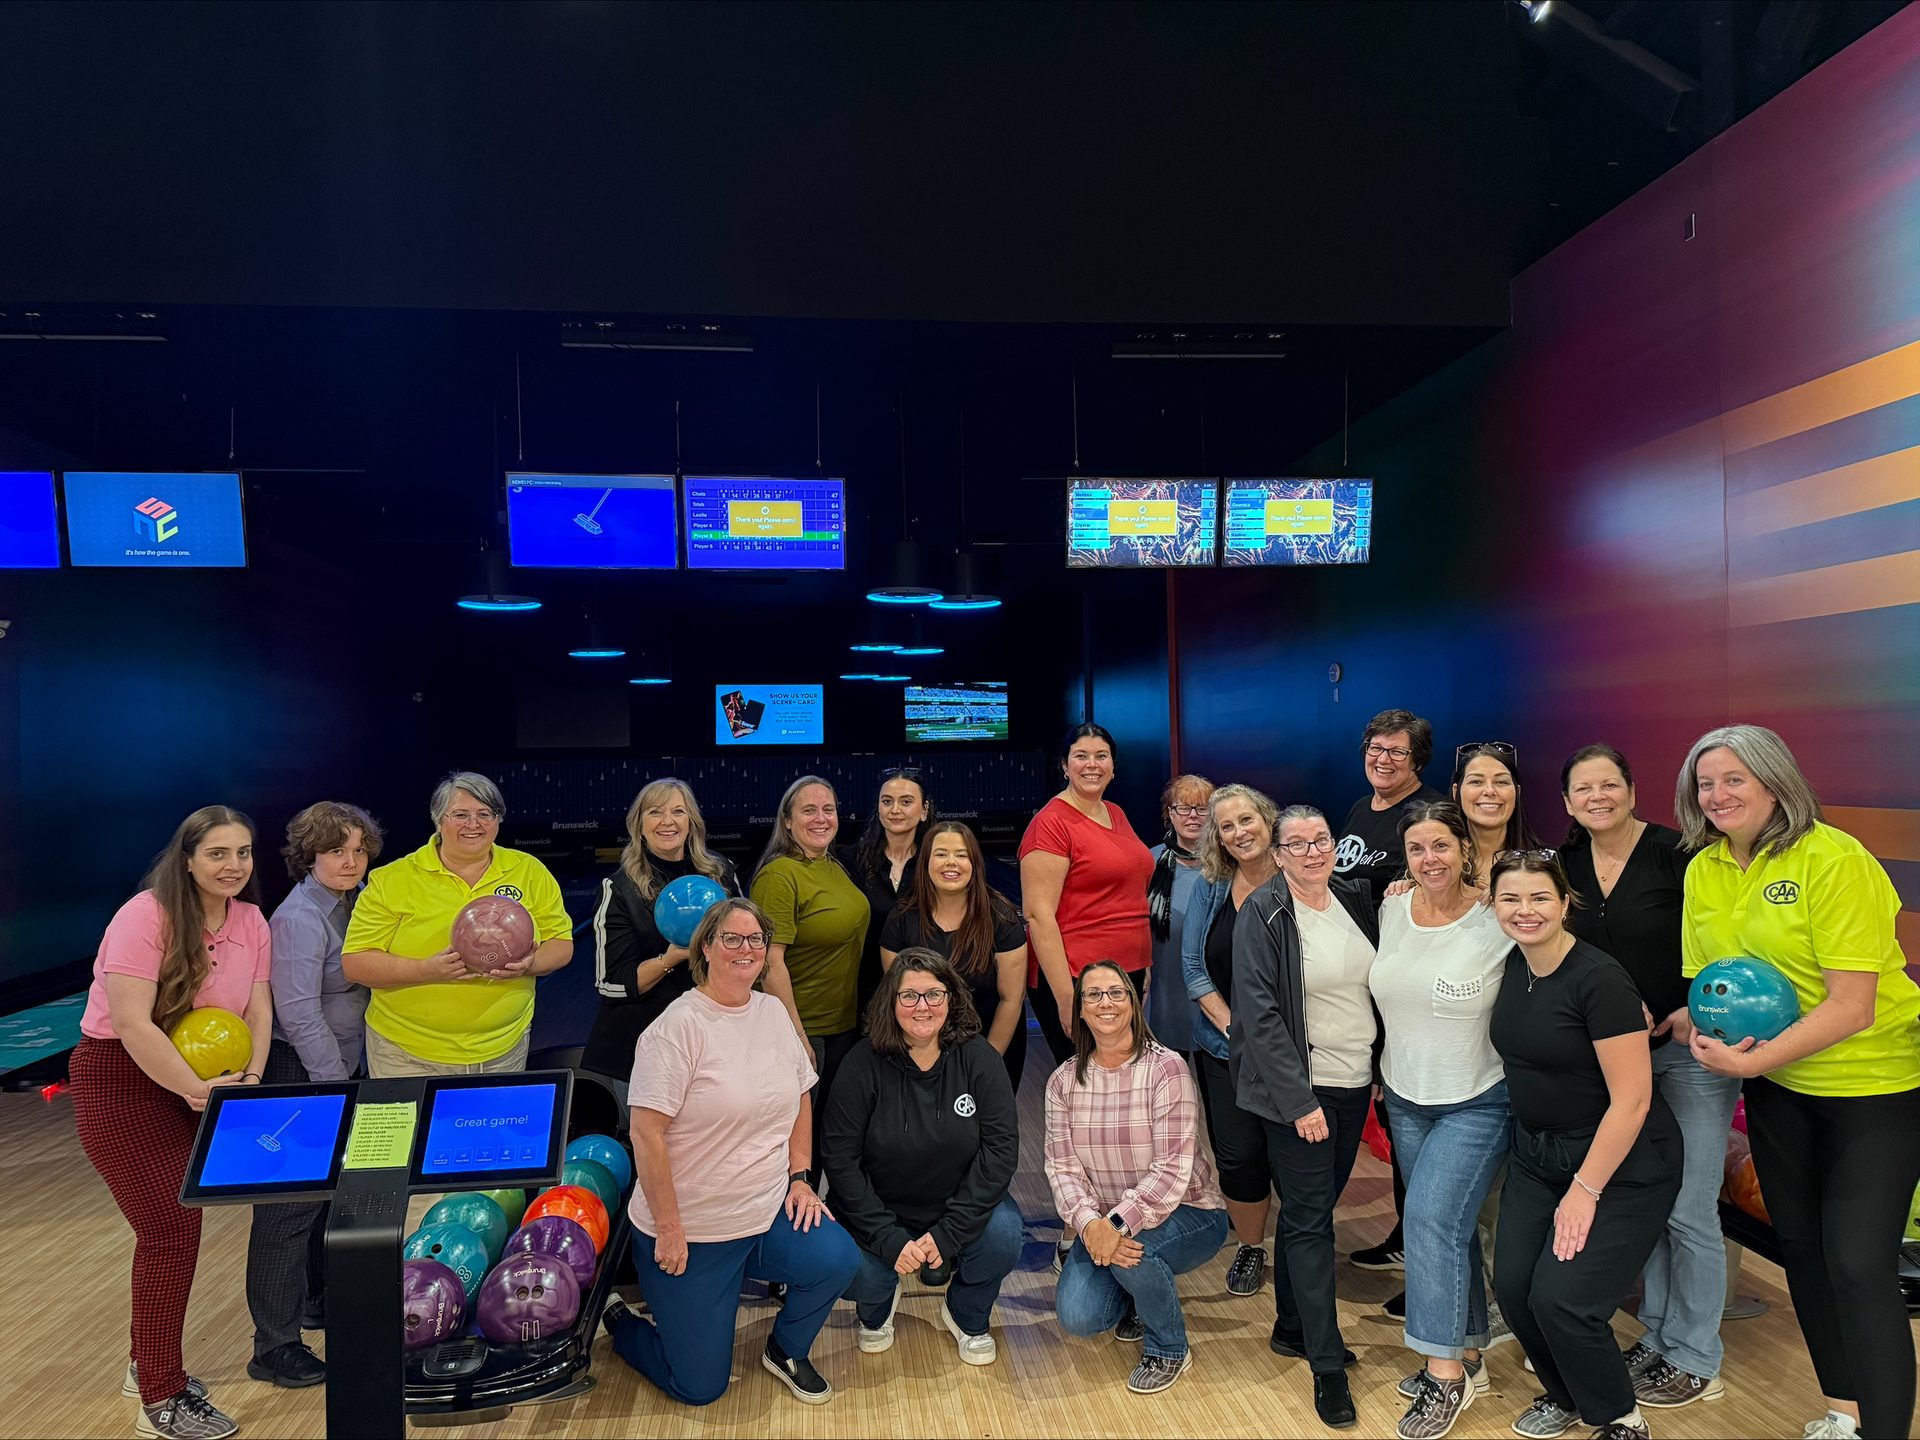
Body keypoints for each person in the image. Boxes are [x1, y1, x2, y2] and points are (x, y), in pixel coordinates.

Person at [1676, 724, 1920, 1440]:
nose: (1716, 795)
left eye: (1733, 780)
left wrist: (1750, 1062)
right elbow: (1708, 984)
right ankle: (1843, 1414)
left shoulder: (1833, 859)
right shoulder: (1706, 869)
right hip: (1782, 1088)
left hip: (1873, 1087)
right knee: (1806, 1253)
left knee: (1858, 1265)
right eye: (1705, 783)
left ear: (1775, 781)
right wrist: (1696, 1028)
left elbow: (1854, 1004)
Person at [601, 898, 861, 1406]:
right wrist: (671, 1229)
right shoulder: (675, 1029)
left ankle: (785, 1349)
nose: (746, 949)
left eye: (756, 940)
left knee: (837, 1259)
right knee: (699, 1387)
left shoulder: (770, 1011)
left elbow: (801, 1093)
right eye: (732, 939)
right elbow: (646, 1136)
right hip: (692, 1230)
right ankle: (621, 1323)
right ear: (706, 947)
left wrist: (801, 1177)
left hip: (763, 1215)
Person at [72, 806, 272, 1440]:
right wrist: (193, 1091)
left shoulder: (251, 920)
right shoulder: (145, 915)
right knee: (170, 1228)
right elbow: (131, 1023)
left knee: (175, 1224)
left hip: (209, 1084)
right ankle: (160, 1397)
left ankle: (144, 1363)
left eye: (243, 853)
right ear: (186, 858)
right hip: (121, 1078)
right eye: (218, 853)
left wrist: (248, 1082)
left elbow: (258, 1011)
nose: (233, 865)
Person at [1559, 744, 1733, 1408]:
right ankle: (1660, 1338)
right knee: (1650, 1200)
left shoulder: (1678, 854)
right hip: (1608, 1062)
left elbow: (1720, 937)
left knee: (1689, 1207)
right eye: (1583, 788)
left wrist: (1691, 1002)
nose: (1597, 796)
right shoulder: (1565, 864)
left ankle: (1695, 1355)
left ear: (1632, 790)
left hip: (1687, 1054)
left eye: (1610, 784)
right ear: (1568, 802)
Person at [1488, 850, 1679, 1440]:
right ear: (1493, 906)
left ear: (1565, 903)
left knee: (1563, 1300)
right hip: (1536, 1155)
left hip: (1621, 1166)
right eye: (1510, 898)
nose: (1525, 911)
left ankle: (1620, 1418)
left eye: (1540, 897)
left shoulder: (1600, 979)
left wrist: (1585, 1190)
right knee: (1516, 1289)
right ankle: (1567, 1393)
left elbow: (1632, 1101)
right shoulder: (1512, 966)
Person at [1369, 800, 1511, 1440]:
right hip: (1405, 1095)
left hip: (1478, 1097)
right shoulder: (1392, 908)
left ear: (1466, 850)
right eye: (1418, 849)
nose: (1430, 860)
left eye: (1442, 847)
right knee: (1447, 1229)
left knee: (1429, 1221)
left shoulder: (1497, 916)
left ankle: (1443, 1376)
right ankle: (1470, 1353)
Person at [1234, 805, 1379, 1429]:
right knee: (1316, 1221)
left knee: (1304, 1211)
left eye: (1321, 840)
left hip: (1354, 1082)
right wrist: (1300, 1104)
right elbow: (1260, 1018)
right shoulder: (1262, 914)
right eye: (1297, 844)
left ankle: (1292, 1327)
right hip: (1302, 1096)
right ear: (1278, 854)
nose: (1312, 851)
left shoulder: (1355, 897)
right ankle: (1326, 1364)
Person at [823, 949, 1022, 1365]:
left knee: (1004, 1234)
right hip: (878, 1209)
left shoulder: (980, 1059)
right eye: (909, 996)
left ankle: (966, 1313)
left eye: (934, 994)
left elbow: (1000, 1153)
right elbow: (840, 1161)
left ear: (951, 999)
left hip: (954, 1206)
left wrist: (949, 1232)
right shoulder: (861, 1064)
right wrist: (888, 1237)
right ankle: (876, 1305)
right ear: (889, 1001)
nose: (922, 1007)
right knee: (850, 1267)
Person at [244, 801, 383, 1391]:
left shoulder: (350, 904)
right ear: (309, 857)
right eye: (336, 852)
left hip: (331, 1066)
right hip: (298, 1071)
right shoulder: (300, 917)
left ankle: (315, 1303)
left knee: (324, 1199)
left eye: (358, 850)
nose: (350, 861)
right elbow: (298, 1012)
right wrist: (338, 1084)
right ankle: (273, 1347)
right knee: (287, 1209)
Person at [1046, 960, 1228, 1396]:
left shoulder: (1166, 1070)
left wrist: (1115, 1225)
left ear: (1133, 1002)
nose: (1105, 1002)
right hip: (1105, 1223)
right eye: (1093, 994)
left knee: (1138, 1254)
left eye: (1116, 992)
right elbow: (1062, 1167)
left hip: (1190, 1213)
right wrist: (1090, 1224)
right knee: (1079, 1316)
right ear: (1081, 1010)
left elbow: (1171, 1170)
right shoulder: (1062, 1081)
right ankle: (1136, 1297)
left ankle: (1168, 1348)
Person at [342, 772, 573, 1075]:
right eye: (460, 815)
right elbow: (356, 963)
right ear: (438, 820)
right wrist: (427, 970)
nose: (473, 824)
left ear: (498, 820)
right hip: (407, 1054)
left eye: (485, 814)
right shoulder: (392, 879)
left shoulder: (529, 871)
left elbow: (562, 944)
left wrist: (528, 963)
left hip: (503, 1049)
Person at [1333, 707, 1442, 1279]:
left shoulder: (1425, 814)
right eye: (1374, 748)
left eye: (1396, 751)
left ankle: (1424, 1250)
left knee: (1411, 1118)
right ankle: (1407, 1237)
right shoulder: (1360, 808)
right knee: (1394, 1118)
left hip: (1403, 987)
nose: (1381, 758)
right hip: (1365, 984)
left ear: (1418, 760)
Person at [1182, 783, 1284, 1297]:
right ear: (1217, 839)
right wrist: (1234, 1027)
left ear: (1269, 821)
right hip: (1225, 1046)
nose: (1239, 833)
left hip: (1293, 1052)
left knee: (1289, 1154)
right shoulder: (1211, 885)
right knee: (1239, 1155)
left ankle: (1299, 1245)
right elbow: (1194, 968)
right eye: (1227, 826)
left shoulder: (1299, 880)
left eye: (1247, 820)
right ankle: (1251, 1246)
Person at [582, 778, 740, 1103]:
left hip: (714, 1037)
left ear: (691, 822)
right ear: (639, 826)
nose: (668, 821)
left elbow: (746, 945)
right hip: (644, 1045)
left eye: (678, 812)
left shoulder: (721, 874)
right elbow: (610, 984)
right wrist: (671, 959)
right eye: (655, 812)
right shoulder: (620, 889)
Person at [750, 774, 870, 1176]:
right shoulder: (779, 875)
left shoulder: (832, 866)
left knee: (825, 1142)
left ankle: (818, 1228)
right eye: (809, 810)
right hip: (802, 1031)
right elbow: (770, 964)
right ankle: (787, 1229)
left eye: (828, 809)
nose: (821, 818)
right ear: (787, 821)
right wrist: (798, 1037)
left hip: (841, 1029)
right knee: (794, 1153)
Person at [1020, 722, 1156, 1064]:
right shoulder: (1051, 823)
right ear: (1065, 766)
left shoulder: (1115, 813)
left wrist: (1144, 963)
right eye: (1081, 756)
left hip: (1126, 973)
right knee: (1090, 1089)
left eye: (1101, 756)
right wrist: (1067, 998)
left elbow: (1127, 895)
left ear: (1112, 766)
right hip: (1080, 978)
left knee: (1122, 1084)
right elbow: (1038, 916)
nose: (1092, 765)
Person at [879, 820, 1028, 1090]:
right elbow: (899, 1002)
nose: (951, 862)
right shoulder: (901, 919)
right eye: (941, 854)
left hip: (992, 1048)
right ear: (925, 862)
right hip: (919, 1054)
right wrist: (922, 1065)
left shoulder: (1001, 918)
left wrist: (987, 1064)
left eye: (961, 855)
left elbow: (1011, 1000)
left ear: (975, 863)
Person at [844, 765, 933, 1026]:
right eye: (887, 801)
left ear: (924, 810)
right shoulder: (849, 861)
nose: (895, 810)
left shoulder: (937, 864)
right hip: (864, 996)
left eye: (906, 802)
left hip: (924, 996)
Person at [1146, 773, 1214, 1063]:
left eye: (1202, 808)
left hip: (1214, 987)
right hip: (1164, 985)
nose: (1193, 816)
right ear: (1169, 814)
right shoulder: (1148, 862)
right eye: (1183, 808)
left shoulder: (1229, 865)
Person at [1453, 741, 1545, 864]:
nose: (1490, 791)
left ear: (1517, 793)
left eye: (1501, 782)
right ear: (1456, 792)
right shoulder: (1437, 863)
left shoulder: (1546, 862)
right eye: (1476, 782)